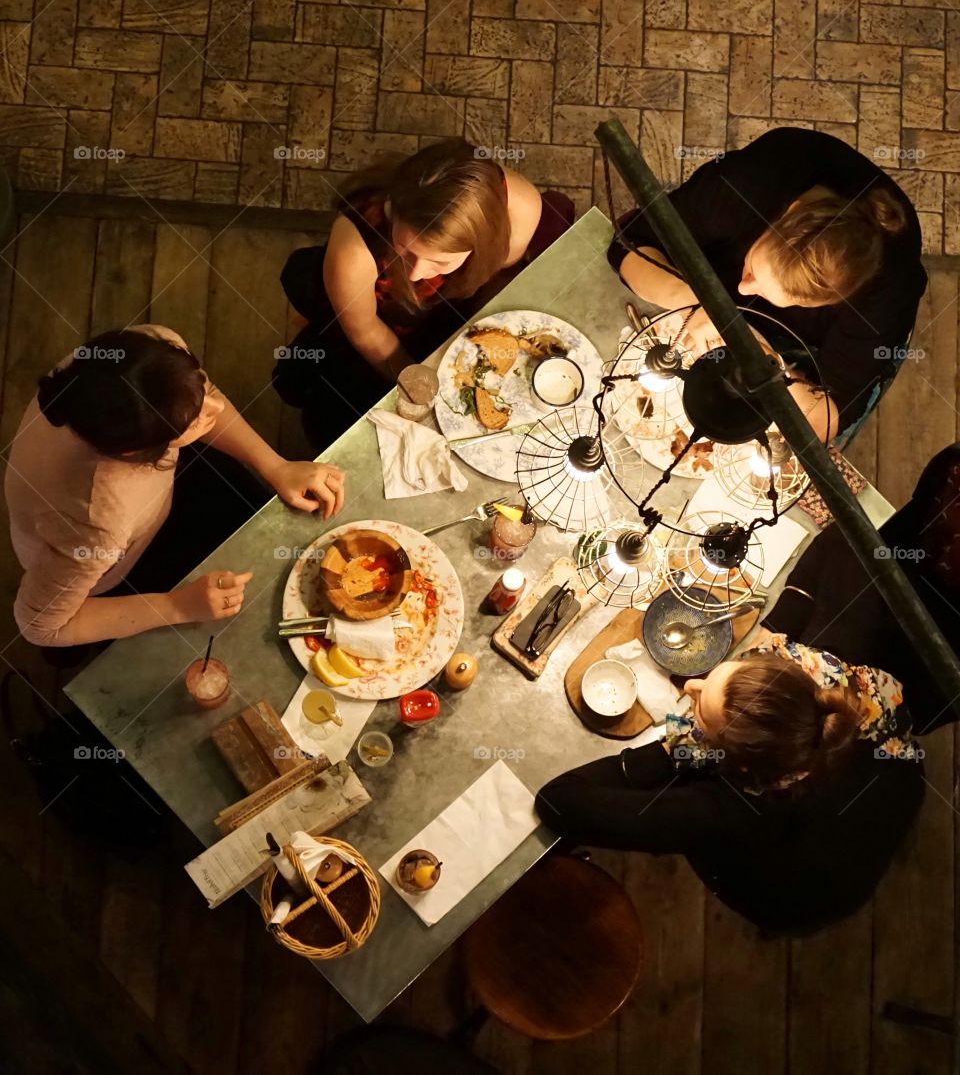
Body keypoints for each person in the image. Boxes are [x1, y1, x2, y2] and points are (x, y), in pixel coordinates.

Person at [537, 634, 924, 934]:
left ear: (733, 761)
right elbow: (827, 553)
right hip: (892, 788)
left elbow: (558, 801)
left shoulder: (719, 812)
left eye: (701, 715)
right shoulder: (828, 688)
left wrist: (670, 750)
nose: (690, 688)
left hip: (801, 894)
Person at [5, 325, 346, 648]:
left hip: (150, 499)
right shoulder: (97, 522)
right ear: (136, 453)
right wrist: (178, 607)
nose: (215, 405)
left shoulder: (148, 351)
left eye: (197, 386)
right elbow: (41, 625)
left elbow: (201, 399)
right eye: (193, 418)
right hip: (107, 567)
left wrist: (276, 466)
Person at [608, 127, 925, 442]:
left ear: (828, 304)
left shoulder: (883, 300)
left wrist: (773, 369)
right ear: (790, 211)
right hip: (695, 287)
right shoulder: (753, 184)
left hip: (790, 350)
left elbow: (826, 422)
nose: (743, 290)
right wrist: (693, 303)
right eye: (752, 270)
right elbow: (629, 244)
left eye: (762, 289)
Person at [274, 138, 575, 447]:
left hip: (458, 307)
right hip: (389, 326)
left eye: (440, 261)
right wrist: (431, 393)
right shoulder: (354, 249)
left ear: (482, 239)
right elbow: (368, 333)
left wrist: (479, 349)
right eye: (404, 249)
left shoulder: (520, 208)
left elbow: (499, 281)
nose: (416, 274)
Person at [766, 441, 960, 733]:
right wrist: (772, 633)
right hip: (891, 570)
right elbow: (847, 541)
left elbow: (844, 543)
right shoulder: (953, 474)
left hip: (926, 675)